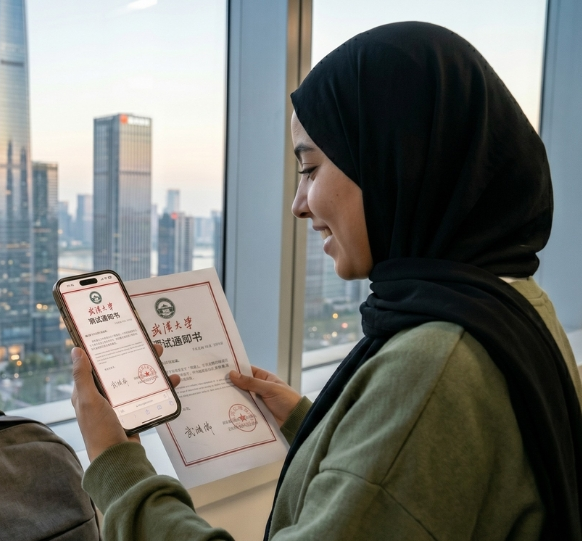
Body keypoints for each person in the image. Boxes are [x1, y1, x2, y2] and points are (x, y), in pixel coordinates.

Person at [69, 21, 582, 540]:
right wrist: (314, 424)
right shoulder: (513, 307)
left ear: (393, 162)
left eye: (310, 169)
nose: (298, 205)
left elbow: (419, 430)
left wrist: (117, 467)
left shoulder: (433, 364)